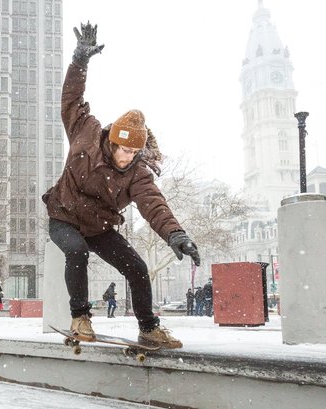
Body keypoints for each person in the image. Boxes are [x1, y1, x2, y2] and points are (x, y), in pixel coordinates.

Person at [42, 22, 201, 349]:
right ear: (112, 142)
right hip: (65, 216)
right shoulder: (86, 130)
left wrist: (175, 234)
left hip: (99, 226)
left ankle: (149, 327)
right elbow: (71, 99)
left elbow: (153, 204)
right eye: (122, 149)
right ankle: (81, 317)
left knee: (138, 267)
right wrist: (80, 60)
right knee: (76, 250)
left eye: (133, 152)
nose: (126, 157)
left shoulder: (138, 173)